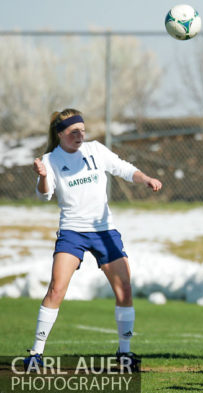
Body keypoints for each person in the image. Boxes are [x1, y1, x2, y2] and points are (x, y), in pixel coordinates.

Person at [25, 108, 162, 372]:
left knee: (124, 289)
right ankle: (36, 353)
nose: (80, 135)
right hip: (72, 232)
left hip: (104, 230)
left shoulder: (96, 150)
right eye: (74, 131)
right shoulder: (50, 159)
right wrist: (42, 175)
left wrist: (145, 179)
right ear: (61, 133)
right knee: (56, 289)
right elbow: (45, 195)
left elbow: (123, 169)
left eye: (83, 131)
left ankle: (124, 354)